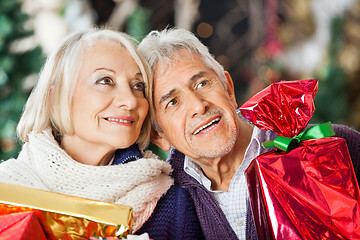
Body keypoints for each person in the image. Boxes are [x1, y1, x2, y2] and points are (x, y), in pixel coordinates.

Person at [138, 27, 360, 240]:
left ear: (229, 89)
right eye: (173, 102)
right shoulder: (166, 207)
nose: (198, 106)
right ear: (159, 137)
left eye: (202, 83)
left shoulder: (332, 147)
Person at [0, 28, 204, 239]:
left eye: (138, 86)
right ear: (55, 97)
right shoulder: (7, 187)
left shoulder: (172, 204)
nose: (131, 100)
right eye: (105, 81)